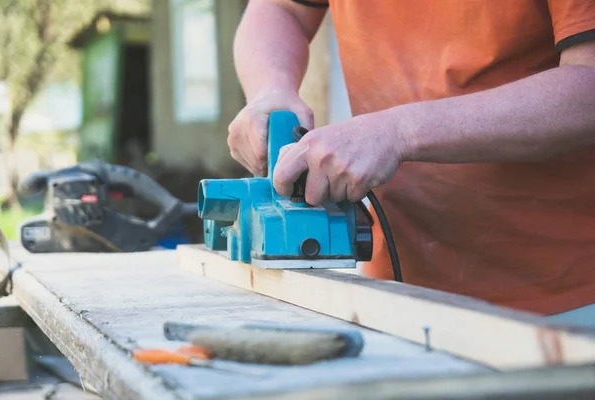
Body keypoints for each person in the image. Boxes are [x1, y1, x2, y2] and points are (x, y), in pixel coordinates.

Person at [226, 0, 595, 325]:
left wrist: (398, 131)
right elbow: (283, 8)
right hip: (395, 284)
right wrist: (269, 89)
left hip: (564, 293)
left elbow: (588, 86)